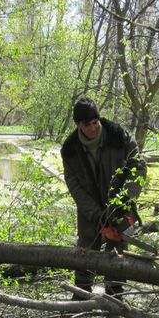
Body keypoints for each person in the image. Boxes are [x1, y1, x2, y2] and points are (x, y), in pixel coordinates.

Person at [61, 97, 146, 299]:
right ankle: (80, 298)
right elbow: (75, 187)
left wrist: (122, 204)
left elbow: (138, 169)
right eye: (86, 124)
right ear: (78, 124)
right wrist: (98, 217)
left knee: (117, 256)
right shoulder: (70, 149)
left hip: (119, 207)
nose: (92, 128)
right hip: (89, 213)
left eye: (95, 122)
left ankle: (115, 299)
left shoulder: (120, 137)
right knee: (85, 254)